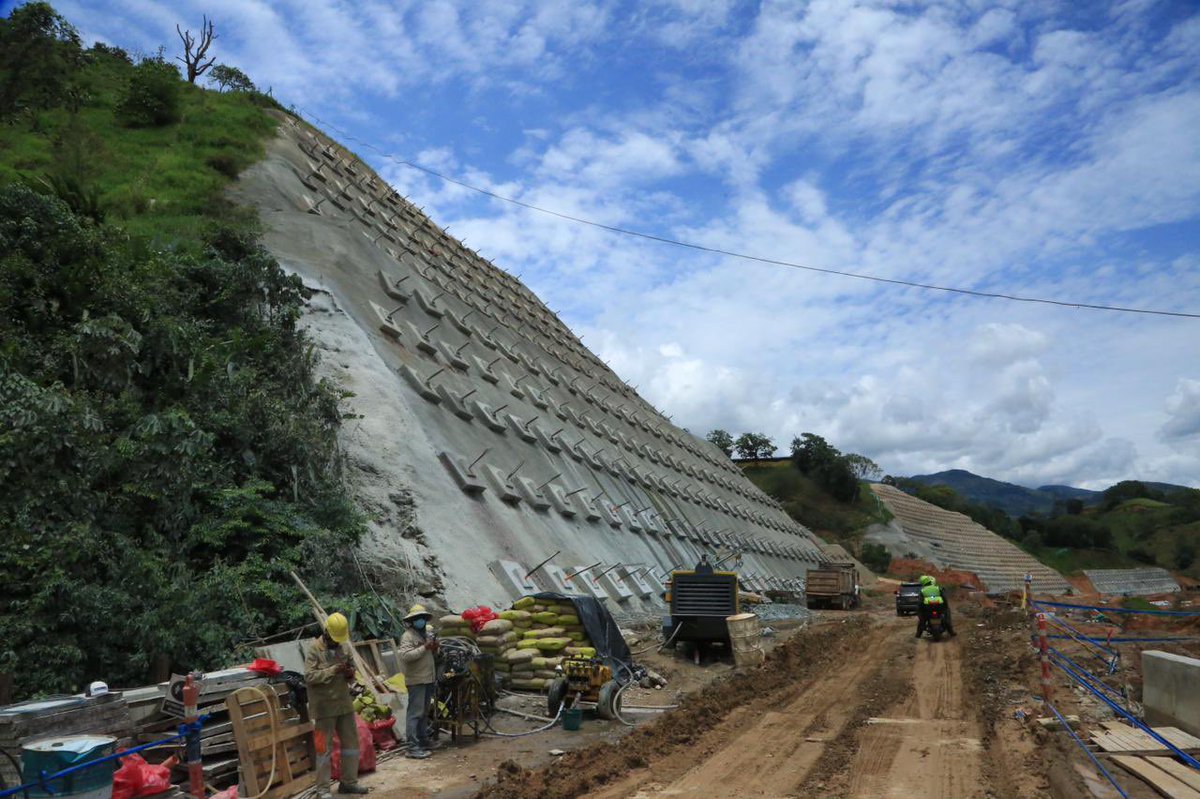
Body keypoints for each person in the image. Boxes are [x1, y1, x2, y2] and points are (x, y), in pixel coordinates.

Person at [305, 613, 368, 797]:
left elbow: (352, 671)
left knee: (351, 744)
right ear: (326, 632)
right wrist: (332, 670)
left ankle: (349, 782)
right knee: (323, 749)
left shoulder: (344, 647)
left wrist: (349, 673)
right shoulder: (314, 649)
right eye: (334, 638)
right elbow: (309, 676)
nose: (336, 642)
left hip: (343, 704)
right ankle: (323, 789)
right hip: (323, 709)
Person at [398, 604, 439, 759]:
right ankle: (412, 746)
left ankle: (423, 740)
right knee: (415, 713)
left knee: (424, 712)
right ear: (412, 621)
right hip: (416, 680)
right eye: (417, 619)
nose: (420, 621)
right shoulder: (407, 636)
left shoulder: (426, 634)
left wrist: (435, 647)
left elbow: (433, 654)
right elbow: (406, 656)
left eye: (422, 618)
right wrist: (424, 648)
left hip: (428, 677)